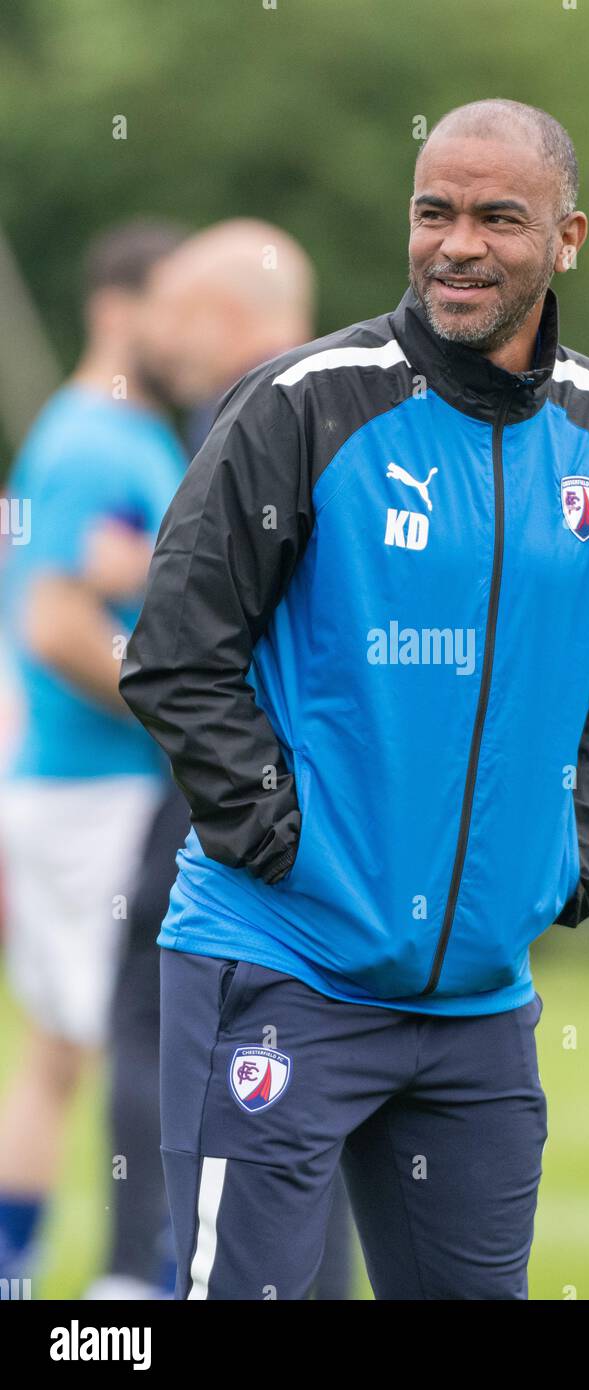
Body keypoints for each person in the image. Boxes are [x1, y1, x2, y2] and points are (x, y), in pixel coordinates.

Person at [120, 99, 589, 1300]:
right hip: (280, 966)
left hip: (481, 1006)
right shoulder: (303, 404)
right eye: (434, 213)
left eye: (497, 217)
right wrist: (283, 835)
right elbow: (176, 652)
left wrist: (570, 849)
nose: (458, 245)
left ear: (567, 236)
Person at [95, 219, 354, 1300]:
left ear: (230, 317)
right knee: (317, 1064)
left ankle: (132, 1278)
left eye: (179, 310)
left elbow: (200, 640)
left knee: (166, 1024)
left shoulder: (249, 413)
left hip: (238, 802)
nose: (159, 335)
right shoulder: (363, 412)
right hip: (325, 810)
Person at [0, 220, 187, 1284]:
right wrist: (192, 712)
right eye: (174, 304)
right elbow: (55, 627)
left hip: (79, 789)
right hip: (92, 791)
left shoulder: (129, 435)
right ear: (119, 309)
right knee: (139, 1047)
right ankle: (134, 1279)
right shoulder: (94, 442)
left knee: (61, 1051)